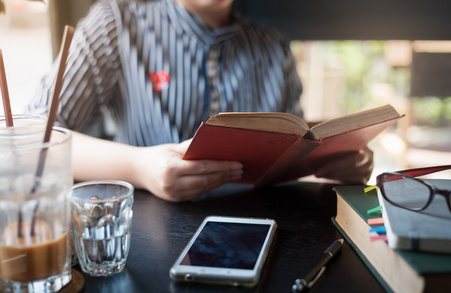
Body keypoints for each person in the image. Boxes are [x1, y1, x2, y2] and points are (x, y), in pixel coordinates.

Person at [28, 0, 373, 202]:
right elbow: (35, 137)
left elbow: (293, 151)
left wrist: (334, 164)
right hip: (148, 237)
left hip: (262, 229)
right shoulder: (116, 23)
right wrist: (141, 168)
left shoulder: (274, 46)